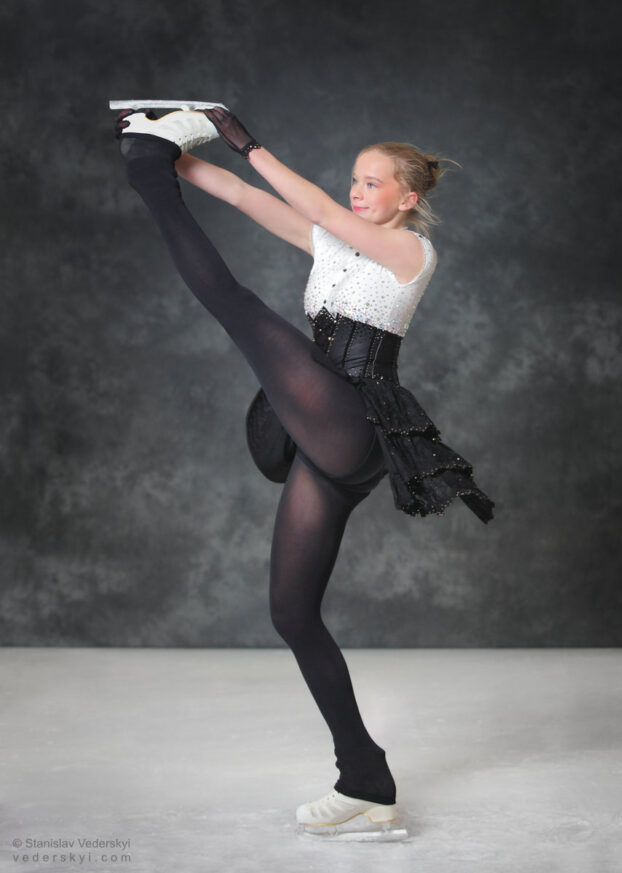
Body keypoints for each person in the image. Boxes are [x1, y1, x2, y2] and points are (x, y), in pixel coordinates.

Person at [113, 105, 495, 839]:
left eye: (373, 184)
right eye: (354, 179)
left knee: (234, 303)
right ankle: (366, 776)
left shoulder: (412, 253)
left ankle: (142, 178)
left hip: (353, 417)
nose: (357, 192)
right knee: (291, 613)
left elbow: (310, 203)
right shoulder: (336, 245)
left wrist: (242, 140)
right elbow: (249, 199)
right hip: (331, 441)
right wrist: (166, 154)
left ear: (407, 200)